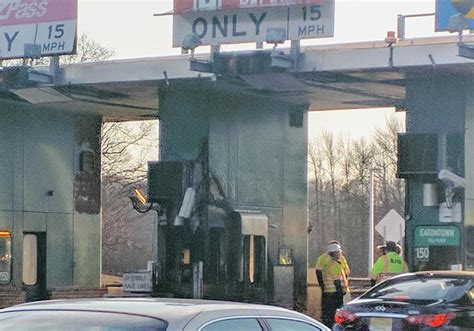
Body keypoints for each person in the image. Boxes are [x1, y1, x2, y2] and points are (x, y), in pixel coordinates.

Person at [319, 243, 348, 328]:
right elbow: (337, 282)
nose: (340, 254)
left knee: (328, 317)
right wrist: (340, 296)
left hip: (328, 294)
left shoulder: (329, 264)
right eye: (339, 252)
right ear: (335, 253)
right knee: (334, 317)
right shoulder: (335, 265)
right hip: (333, 294)